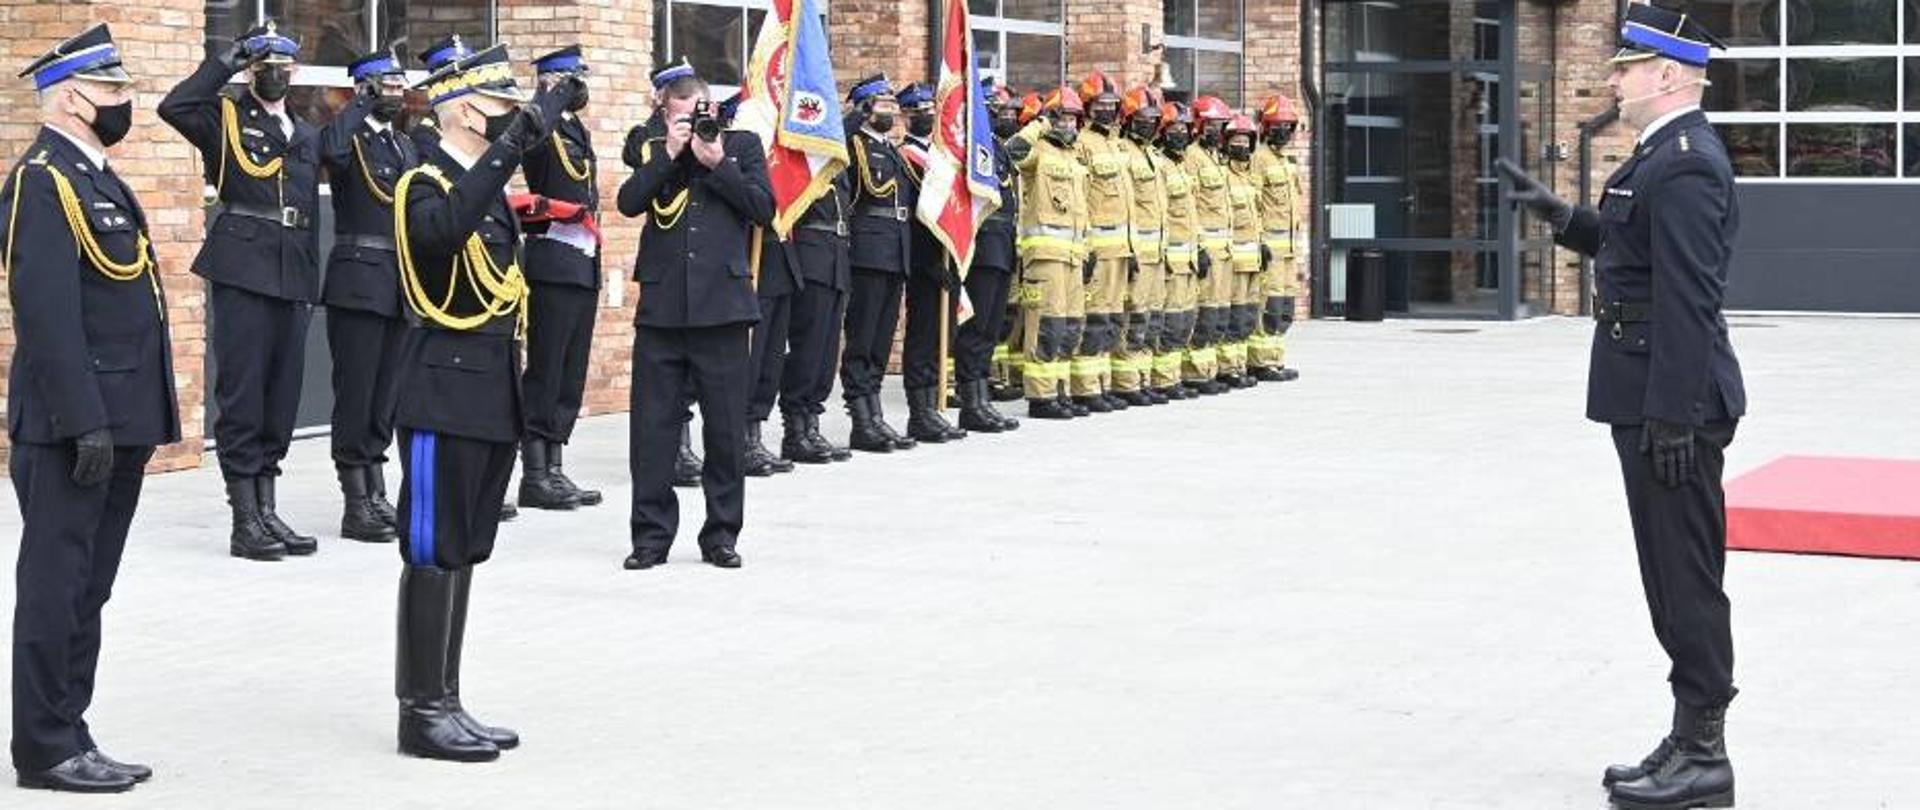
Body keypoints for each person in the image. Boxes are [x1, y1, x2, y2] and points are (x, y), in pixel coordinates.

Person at [1498, 6, 1744, 809]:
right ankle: (1686, 737)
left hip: (1671, 403)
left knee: (1687, 577)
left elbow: (1689, 298)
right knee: (1666, 578)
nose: (1614, 79)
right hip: (1644, 395)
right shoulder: (1657, 158)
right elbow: (1631, 247)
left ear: (1667, 75)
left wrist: (1673, 411)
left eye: (1626, 67)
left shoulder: (1688, 161)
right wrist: (1558, 215)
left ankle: (1705, 753)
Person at [4, 23, 178, 793]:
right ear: (73, 96)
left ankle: (72, 729)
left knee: (90, 586)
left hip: (119, 419)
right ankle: (43, 746)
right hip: (72, 428)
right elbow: (44, 315)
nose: (125, 102)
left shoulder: (94, 175)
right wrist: (84, 421)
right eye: (113, 91)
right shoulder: (41, 182)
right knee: (57, 584)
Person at [389, 43, 573, 762]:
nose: (508, 122)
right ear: (464, 108)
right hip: (440, 385)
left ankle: (449, 698)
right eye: (499, 108)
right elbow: (439, 238)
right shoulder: (423, 180)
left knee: (464, 545)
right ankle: (420, 710)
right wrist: (511, 150)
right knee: (432, 547)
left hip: (490, 383)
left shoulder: (480, 183)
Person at [159, 20, 321, 560]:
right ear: (253, 71)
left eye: (282, 66)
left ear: (294, 71)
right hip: (244, 267)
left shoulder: (306, 130)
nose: (274, 74)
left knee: (281, 396)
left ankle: (268, 506)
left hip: (292, 270)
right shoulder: (225, 117)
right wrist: (224, 61)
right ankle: (244, 516)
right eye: (263, 65)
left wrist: (309, 281)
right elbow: (175, 107)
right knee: (244, 392)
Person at [617, 60, 773, 570]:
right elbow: (629, 202)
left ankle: (722, 535)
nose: (692, 123)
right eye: (681, 116)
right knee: (652, 431)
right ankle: (650, 537)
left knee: (725, 432)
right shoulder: (652, 147)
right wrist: (670, 153)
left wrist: (716, 162)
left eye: (700, 113)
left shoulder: (742, 146)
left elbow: (763, 209)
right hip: (662, 310)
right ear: (665, 114)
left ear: (713, 108)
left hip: (723, 311)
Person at [318, 50, 415, 544]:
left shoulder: (403, 146)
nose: (395, 95)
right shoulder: (349, 138)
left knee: (385, 397)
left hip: (399, 284)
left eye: (400, 86)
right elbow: (327, 152)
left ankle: (377, 493)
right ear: (364, 89)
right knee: (356, 395)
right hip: (358, 282)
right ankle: (356, 501)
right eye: (385, 86)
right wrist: (357, 106)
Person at [515, 45, 606, 509]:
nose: (580, 86)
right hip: (552, 261)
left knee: (570, 373)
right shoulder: (542, 125)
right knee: (547, 369)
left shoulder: (575, 129)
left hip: (582, 261)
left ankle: (555, 465)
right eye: (573, 78)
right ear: (553, 82)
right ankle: (534, 473)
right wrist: (547, 96)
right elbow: (529, 143)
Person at [839, 75, 917, 452]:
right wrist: (857, 115)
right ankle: (861, 420)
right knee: (862, 339)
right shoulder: (854, 144)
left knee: (881, 341)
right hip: (867, 254)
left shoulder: (893, 150)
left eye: (891, 104)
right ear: (866, 108)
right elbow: (837, 139)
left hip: (895, 252)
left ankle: (876, 415)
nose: (891, 110)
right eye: (881, 103)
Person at [1009, 85, 1089, 420]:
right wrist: (1040, 123)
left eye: (1072, 118)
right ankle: (1040, 398)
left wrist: (1088, 251)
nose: (1067, 125)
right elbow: (1011, 152)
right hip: (1045, 259)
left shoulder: (1075, 157)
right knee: (1046, 327)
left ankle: (1060, 390)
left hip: (1073, 258)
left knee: (1070, 327)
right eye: (1062, 118)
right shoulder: (1037, 151)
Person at [895, 81, 968, 443]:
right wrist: (926, 262)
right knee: (923, 336)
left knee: (945, 333)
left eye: (930, 111)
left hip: (948, 258)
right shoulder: (904, 157)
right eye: (918, 112)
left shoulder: (944, 157)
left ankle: (934, 405)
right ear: (906, 117)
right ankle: (919, 412)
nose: (926, 117)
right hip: (925, 263)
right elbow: (912, 217)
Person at [952, 79, 1023, 434]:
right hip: (981, 249)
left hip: (1002, 246)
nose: (999, 114)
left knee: (992, 328)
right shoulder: (968, 146)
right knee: (976, 329)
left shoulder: (996, 146)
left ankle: (982, 398)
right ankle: (970, 402)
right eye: (992, 108)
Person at [776, 168, 857, 465]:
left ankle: (812, 423)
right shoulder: (805, 163)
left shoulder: (837, 166)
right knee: (807, 348)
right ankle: (795, 431)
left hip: (837, 256)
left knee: (826, 352)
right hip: (811, 256)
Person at [1070, 71, 1133, 413]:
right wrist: (1086, 249)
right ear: (1088, 107)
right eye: (1101, 104)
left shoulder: (1118, 144)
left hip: (1121, 251)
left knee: (1111, 321)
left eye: (1112, 104)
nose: (1107, 110)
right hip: (1098, 251)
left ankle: (1104, 384)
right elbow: (1081, 201)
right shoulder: (1081, 144)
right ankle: (1085, 388)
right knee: (1093, 321)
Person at [1111, 84, 1169, 407]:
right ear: (1130, 119)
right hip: (1136, 252)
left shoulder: (1153, 156)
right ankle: (1125, 382)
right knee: (1130, 318)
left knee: (1150, 319)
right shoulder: (1122, 153)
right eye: (1142, 118)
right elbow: (1125, 205)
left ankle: (1143, 378)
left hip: (1157, 252)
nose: (1148, 123)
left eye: (1153, 118)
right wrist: (1130, 249)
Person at [1248, 94, 1304, 383]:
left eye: (1287, 125)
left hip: (1289, 251)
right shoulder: (1259, 159)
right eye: (1277, 125)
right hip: (1270, 249)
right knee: (1267, 307)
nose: (1283, 131)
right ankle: (1259, 362)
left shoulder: (1287, 162)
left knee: (1283, 308)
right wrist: (1259, 242)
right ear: (1266, 127)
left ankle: (1275, 359)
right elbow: (1253, 203)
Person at [1181, 95, 1234, 396]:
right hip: (1206, 249)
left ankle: (1208, 370)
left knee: (1216, 314)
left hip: (1223, 250)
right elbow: (1191, 207)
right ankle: (1193, 373)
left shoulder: (1215, 157)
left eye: (1220, 125)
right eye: (1212, 124)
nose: (1217, 130)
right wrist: (1199, 247)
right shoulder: (1191, 156)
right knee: (1200, 314)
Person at [1152, 101, 1200, 402]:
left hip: (1189, 257)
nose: (1180, 134)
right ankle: (1160, 380)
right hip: (1168, 257)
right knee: (1166, 322)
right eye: (1174, 129)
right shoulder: (1160, 164)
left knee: (1183, 321)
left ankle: (1172, 378)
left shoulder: (1183, 165)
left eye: (1184, 129)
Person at [1220, 114, 1263, 389]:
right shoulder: (1224, 174)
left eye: (1245, 140)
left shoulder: (1251, 177)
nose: (1241, 145)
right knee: (1232, 315)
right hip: (1232, 260)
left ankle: (1238, 365)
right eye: (1236, 140)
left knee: (1246, 315)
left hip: (1253, 259)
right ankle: (1226, 368)